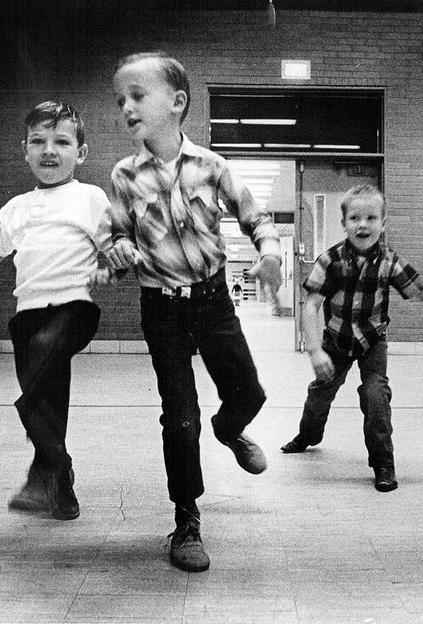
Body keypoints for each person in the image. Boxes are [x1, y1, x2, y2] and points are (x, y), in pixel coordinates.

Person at [107, 51, 282, 573]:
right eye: (121, 100)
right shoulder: (123, 175)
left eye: (137, 96)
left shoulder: (212, 166)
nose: (127, 108)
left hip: (212, 302)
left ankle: (230, 430)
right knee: (180, 418)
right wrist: (115, 250)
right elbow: (115, 234)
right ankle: (186, 519)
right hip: (160, 309)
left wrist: (270, 252)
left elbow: (255, 215)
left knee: (248, 391)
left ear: (177, 103)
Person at [0, 101, 113, 521]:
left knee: (32, 392)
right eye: (39, 141)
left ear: (80, 153)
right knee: (48, 400)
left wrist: (112, 265)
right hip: (26, 315)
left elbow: (114, 247)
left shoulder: (89, 197)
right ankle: (61, 489)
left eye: (62, 141)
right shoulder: (15, 208)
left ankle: (45, 470)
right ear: (24, 150)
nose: (49, 150)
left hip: (73, 309)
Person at [280, 184, 423, 493]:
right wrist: (315, 352)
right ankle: (308, 435)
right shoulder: (331, 261)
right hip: (336, 341)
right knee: (320, 393)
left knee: (376, 395)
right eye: (355, 218)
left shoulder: (390, 262)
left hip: (371, 341)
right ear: (344, 224)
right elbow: (311, 306)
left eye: (371, 217)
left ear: (383, 222)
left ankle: (383, 463)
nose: (363, 224)